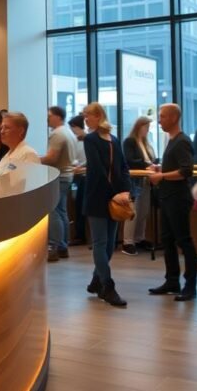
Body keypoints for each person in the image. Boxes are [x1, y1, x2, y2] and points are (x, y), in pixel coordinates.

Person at [82, 102, 132, 307]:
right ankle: (107, 286)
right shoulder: (90, 139)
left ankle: (96, 280)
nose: (86, 119)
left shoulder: (114, 139)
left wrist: (126, 191)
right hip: (97, 197)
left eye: (88, 115)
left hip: (115, 197)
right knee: (101, 242)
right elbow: (97, 170)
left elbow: (123, 167)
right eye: (84, 116)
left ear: (98, 116)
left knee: (110, 244)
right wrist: (115, 194)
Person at [147, 103, 197, 302]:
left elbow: (186, 171)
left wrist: (162, 176)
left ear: (174, 118)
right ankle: (172, 280)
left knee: (184, 241)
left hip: (178, 198)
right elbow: (177, 167)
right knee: (167, 240)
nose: (159, 120)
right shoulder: (172, 141)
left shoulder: (182, 141)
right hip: (168, 197)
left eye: (163, 116)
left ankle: (190, 285)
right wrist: (161, 169)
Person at [42, 106, 78, 261]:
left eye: (49, 116)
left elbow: (52, 158)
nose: (47, 118)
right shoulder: (69, 132)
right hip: (68, 175)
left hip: (58, 175)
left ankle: (53, 246)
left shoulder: (57, 134)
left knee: (53, 210)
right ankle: (63, 245)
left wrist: (33, 159)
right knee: (62, 210)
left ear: (58, 116)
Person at [121, 116, 158, 256]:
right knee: (133, 212)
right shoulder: (129, 141)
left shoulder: (146, 143)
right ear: (139, 127)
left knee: (143, 211)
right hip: (134, 181)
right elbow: (130, 160)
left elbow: (151, 159)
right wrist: (147, 165)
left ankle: (139, 238)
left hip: (146, 181)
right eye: (146, 127)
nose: (148, 130)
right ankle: (128, 242)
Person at [0, 112, 39, 179]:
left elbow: (33, 184)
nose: (2, 131)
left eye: (6, 128)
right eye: (2, 128)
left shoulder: (28, 154)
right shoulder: (8, 155)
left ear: (21, 131)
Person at [68, 114, 89, 246]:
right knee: (78, 205)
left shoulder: (85, 140)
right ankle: (79, 234)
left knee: (80, 206)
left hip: (82, 176)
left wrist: (79, 166)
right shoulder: (77, 140)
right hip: (78, 175)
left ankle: (80, 235)